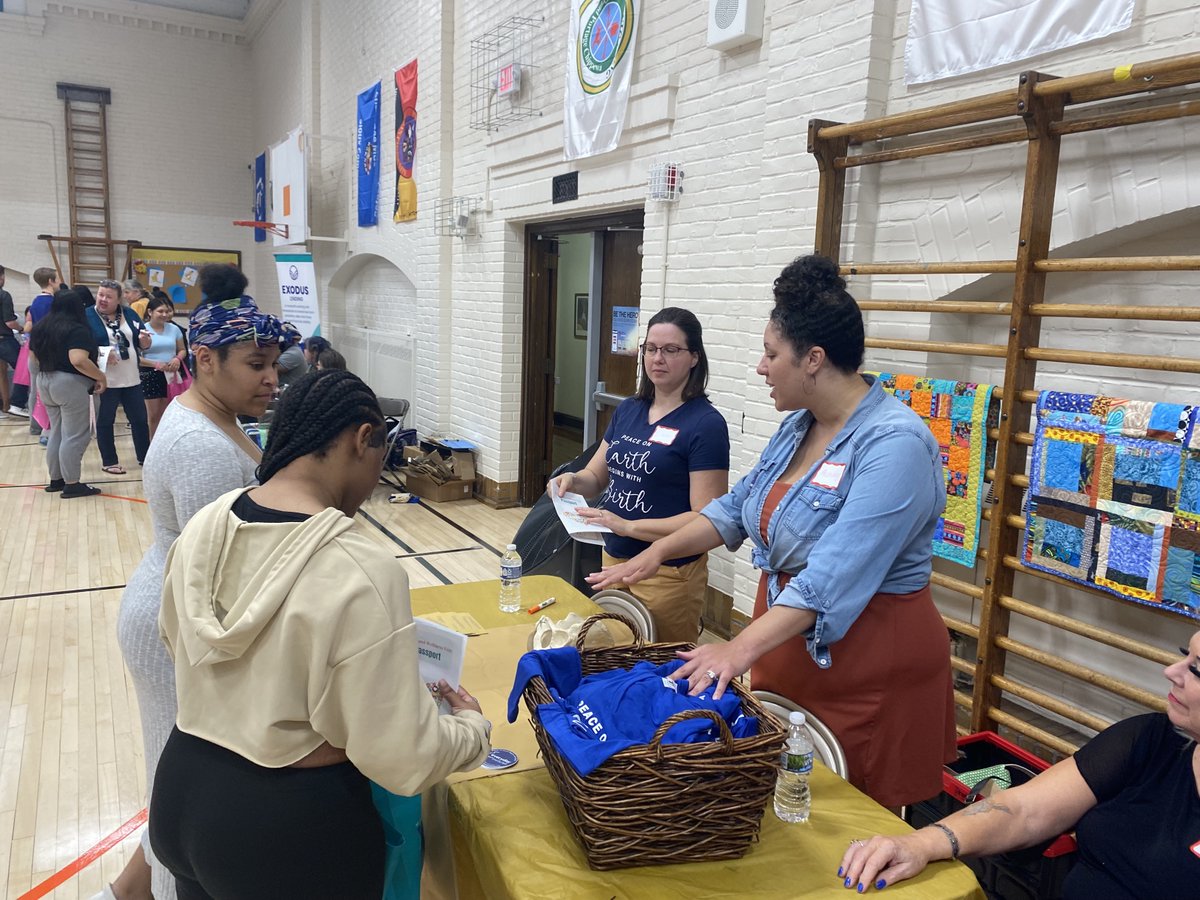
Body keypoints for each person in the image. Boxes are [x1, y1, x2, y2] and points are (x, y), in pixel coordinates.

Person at [589, 255, 955, 809]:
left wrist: (734, 650)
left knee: (846, 817)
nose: (761, 367)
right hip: (784, 637)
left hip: (867, 656)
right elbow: (734, 508)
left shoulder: (894, 445)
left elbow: (831, 579)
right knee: (780, 790)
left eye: (770, 353)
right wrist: (655, 553)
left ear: (813, 359)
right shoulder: (797, 426)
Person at [150, 370, 491, 899]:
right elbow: (403, 757)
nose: (377, 479)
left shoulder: (207, 524)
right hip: (287, 830)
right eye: (382, 460)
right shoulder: (358, 565)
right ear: (361, 439)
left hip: (181, 791)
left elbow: (178, 642)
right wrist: (471, 730)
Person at [105, 294, 292, 900]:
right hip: (170, 627)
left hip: (170, 609)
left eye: (276, 363)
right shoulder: (200, 446)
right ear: (205, 360)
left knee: (173, 777)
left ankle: (123, 892)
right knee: (177, 789)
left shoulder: (218, 419)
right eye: (256, 363)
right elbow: (208, 579)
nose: (271, 377)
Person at [840, 634, 1200, 896]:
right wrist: (923, 843)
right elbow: (1025, 809)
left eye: (1196, 669)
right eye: (1184, 656)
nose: (1172, 671)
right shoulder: (1151, 740)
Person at [551, 307, 730, 642]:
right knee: (612, 659)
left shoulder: (705, 424)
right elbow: (596, 476)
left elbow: (706, 519)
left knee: (660, 668)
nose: (657, 358)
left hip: (667, 573)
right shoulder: (630, 409)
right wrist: (573, 480)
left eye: (670, 350)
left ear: (694, 357)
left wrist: (629, 525)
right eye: (650, 348)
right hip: (614, 558)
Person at [28, 289, 106, 497]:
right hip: (70, 384)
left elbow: (33, 359)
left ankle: (56, 479)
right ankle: (72, 484)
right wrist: (101, 376)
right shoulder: (77, 329)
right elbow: (78, 359)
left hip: (45, 380)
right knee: (74, 435)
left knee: (57, 432)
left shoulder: (41, 327)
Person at [87, 278, 152, 474]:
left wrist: (145, 341)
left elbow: (143, 344)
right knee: (106, 420)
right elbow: (83, 347)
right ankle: (109, 461)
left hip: (131, 377)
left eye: (108, 296)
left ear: (119, 299)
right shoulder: (87, 315)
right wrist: (104, 352)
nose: (103, 299)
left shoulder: (130, 313)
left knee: (140, 420)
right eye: (100, 294)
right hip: (106, 379)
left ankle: (144, 457)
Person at [137, 295, 187, 440]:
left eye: (167, 311)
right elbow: (137, 357)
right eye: (160, 311)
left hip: (171, 373)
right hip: (150, 374)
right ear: (150, 312)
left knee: (169, 413)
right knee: (153, 415)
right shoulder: (142, 330)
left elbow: (182, 349)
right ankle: (153, 446)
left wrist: (177, 359)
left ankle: (168, 444)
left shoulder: (174, 329)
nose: (164, 315)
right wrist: (156, 364)